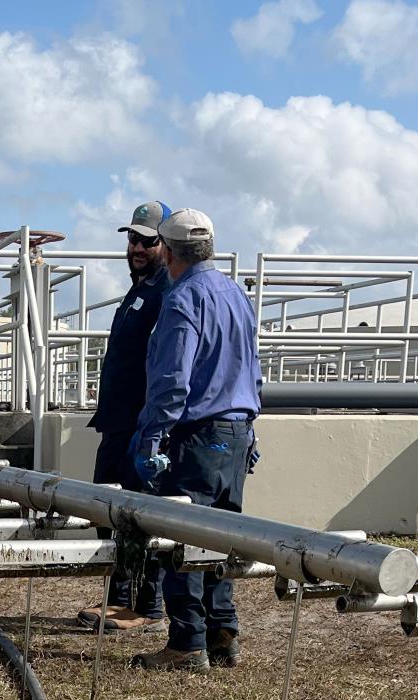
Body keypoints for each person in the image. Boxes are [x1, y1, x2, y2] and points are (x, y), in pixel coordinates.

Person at [129, 208, 261, 672]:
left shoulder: (184, 298)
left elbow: (172, 379)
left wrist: (153, 436)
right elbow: (251, 365)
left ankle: (187, 643)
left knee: (181, 539)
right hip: (236, 430)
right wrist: (250, 428)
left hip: (197, 434)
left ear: (166, 249)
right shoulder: (234, 293)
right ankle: (223, 632)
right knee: (221, 537)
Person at [77, 200, 172, 634]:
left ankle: (146, 605)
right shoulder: (138, 290)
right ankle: (117, 598)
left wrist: (154, 428)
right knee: (107, 512)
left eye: (147, 240)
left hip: (140, 427)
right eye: (132, 238)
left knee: (141, 517)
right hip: (116, 424)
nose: (136, 247)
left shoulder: (165, 292)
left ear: (164, 243)